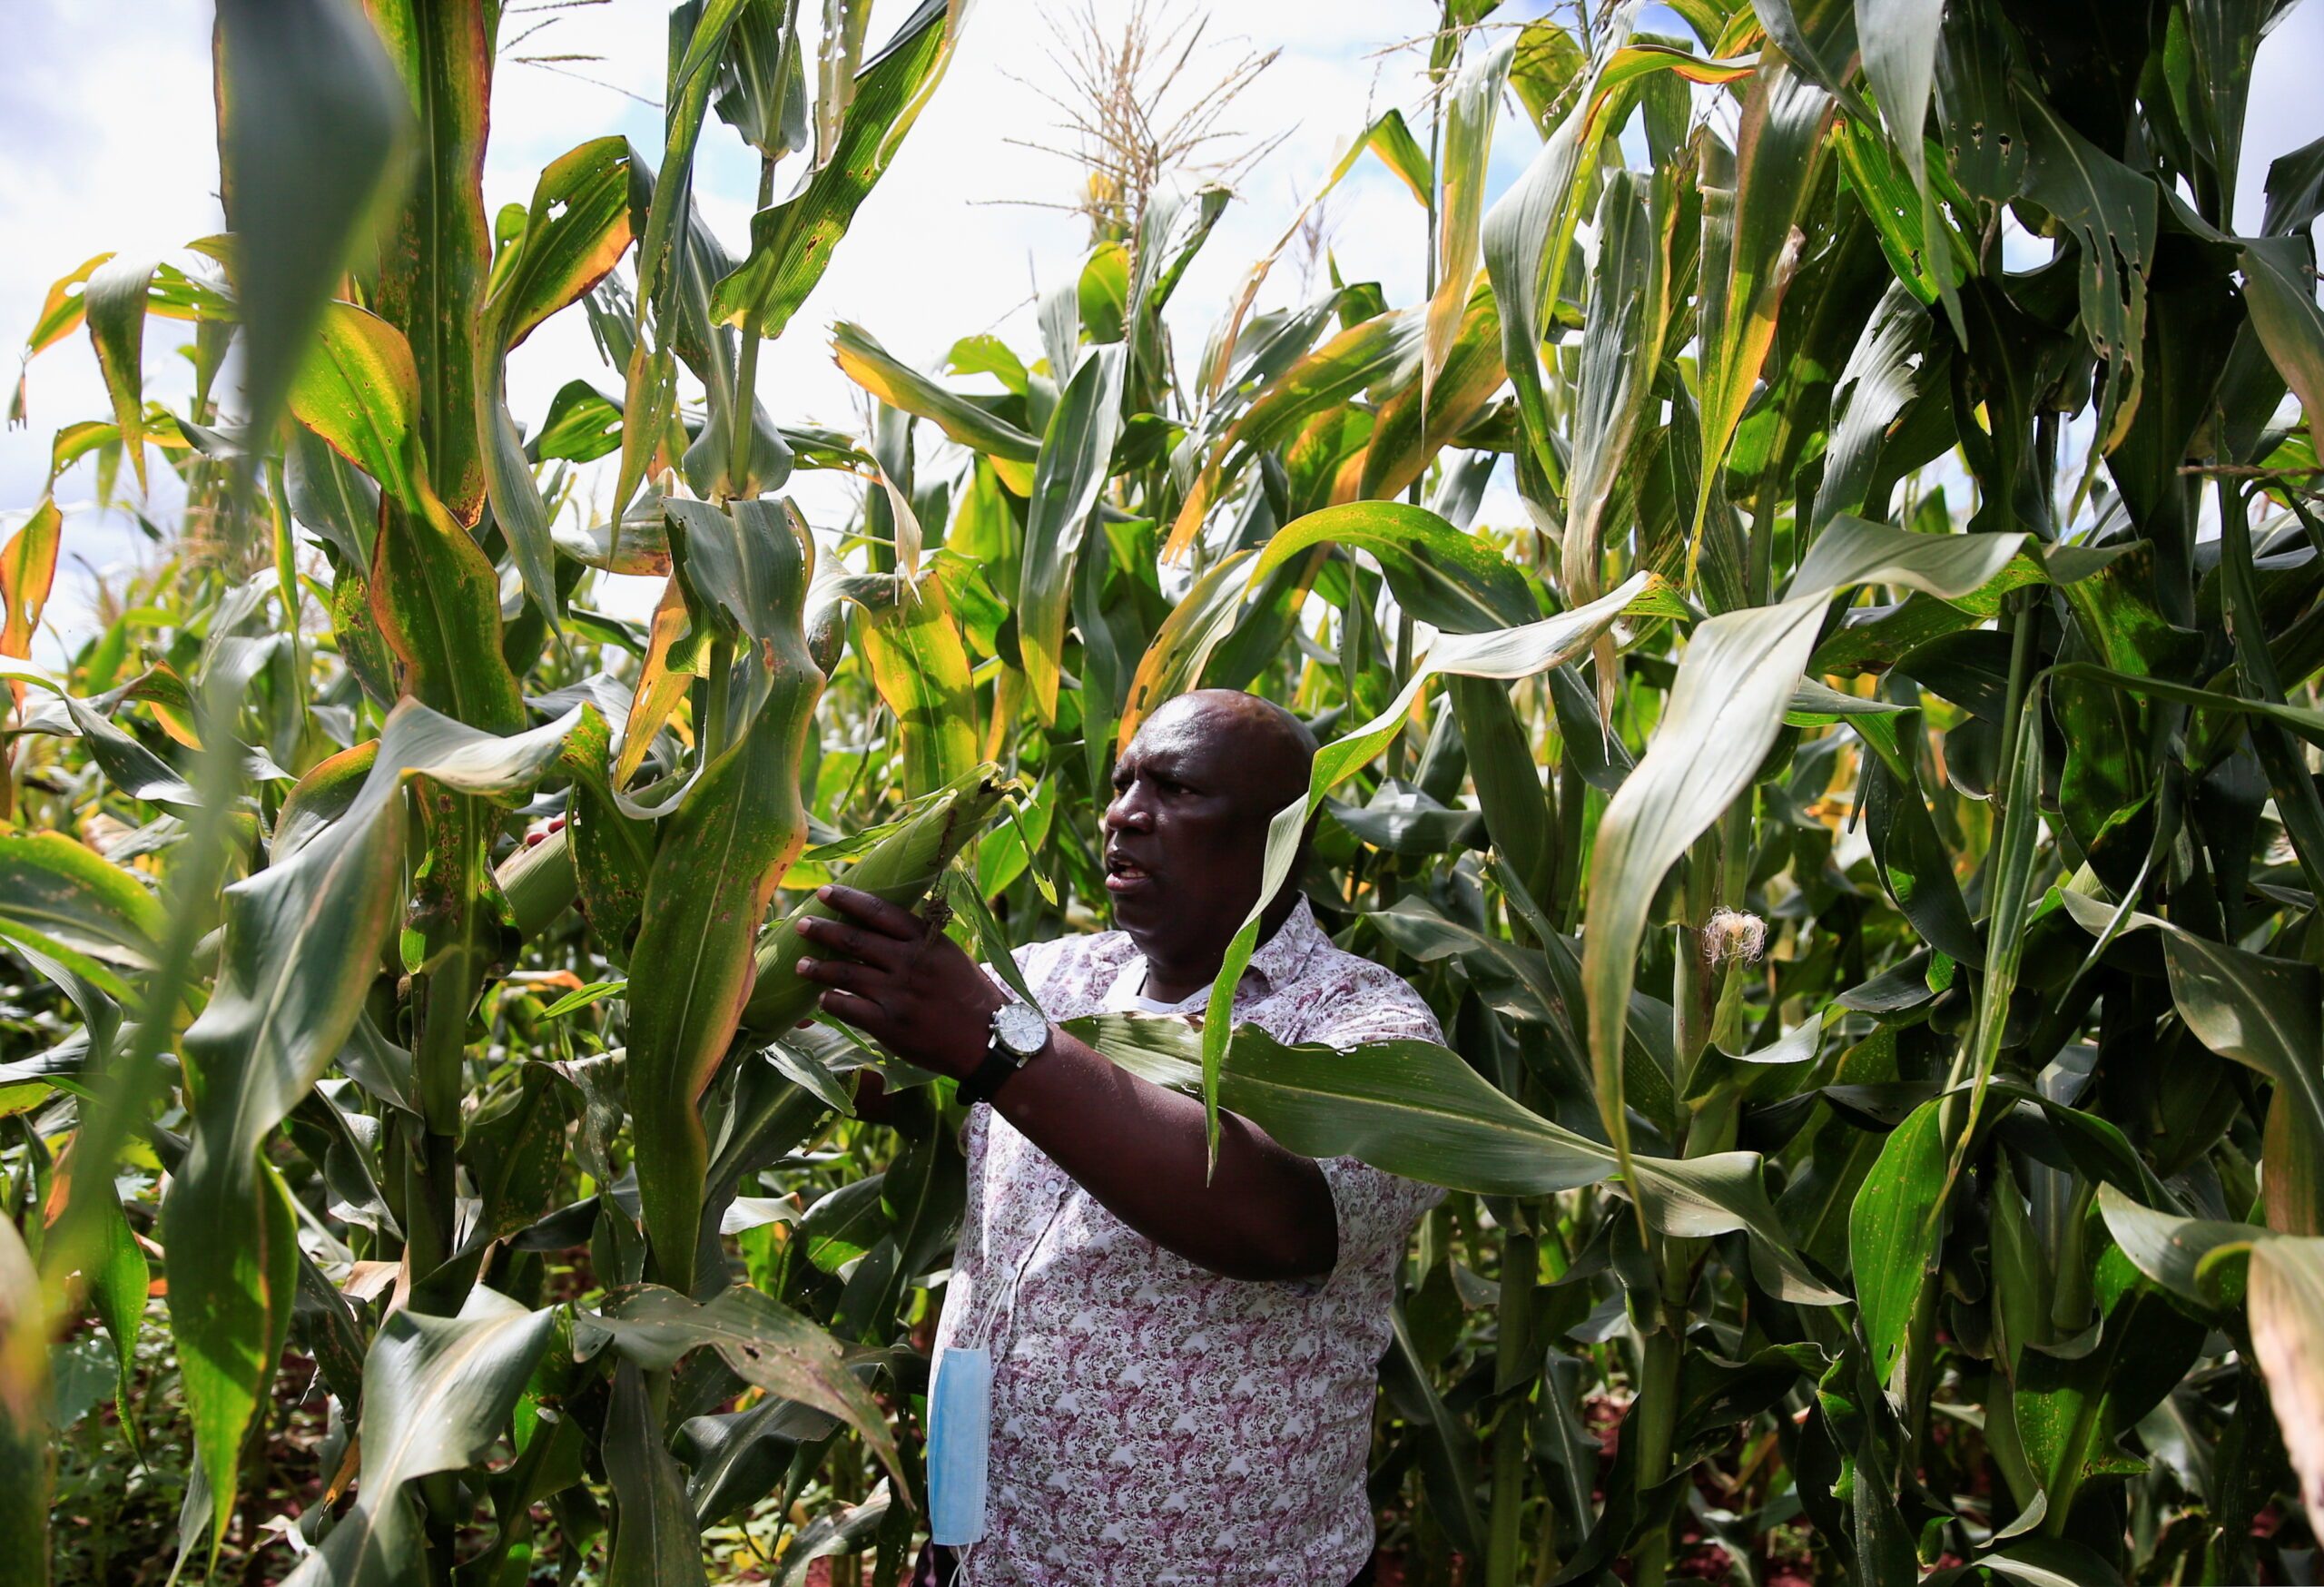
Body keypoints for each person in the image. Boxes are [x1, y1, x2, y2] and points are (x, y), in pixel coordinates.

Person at [794, 689, 1446, 1586]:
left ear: (1282, 832)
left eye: (1174, 788)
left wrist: (991, 1038)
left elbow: (1278, 1221)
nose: (1124, 814)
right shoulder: (1058, 973)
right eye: (1122, 783)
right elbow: (858, 1063)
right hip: (983, 1546)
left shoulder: (1365, 1028)